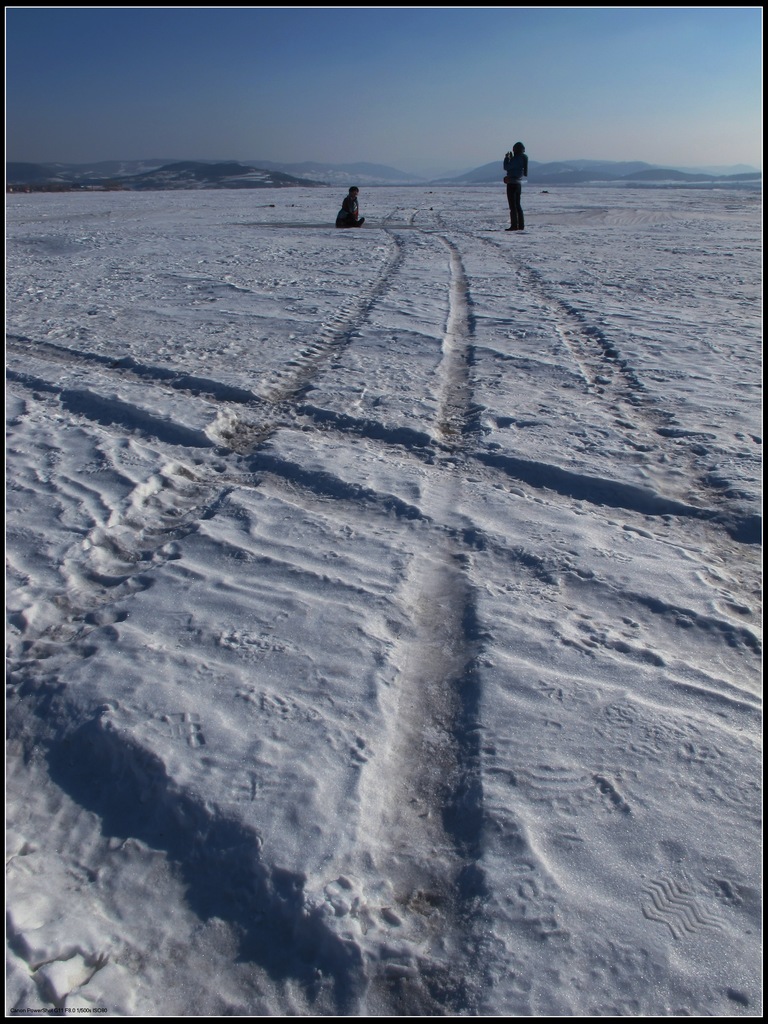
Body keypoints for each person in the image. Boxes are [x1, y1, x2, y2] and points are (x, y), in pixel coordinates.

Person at [503, 142, 528, 231]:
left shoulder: (516, 159)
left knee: (512, 206)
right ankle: (521, 225)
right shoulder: (523, 159)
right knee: (518, 205)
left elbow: (506, 167)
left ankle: (514, 225)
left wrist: (507, 159)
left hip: (512, 183)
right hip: (518, 183)